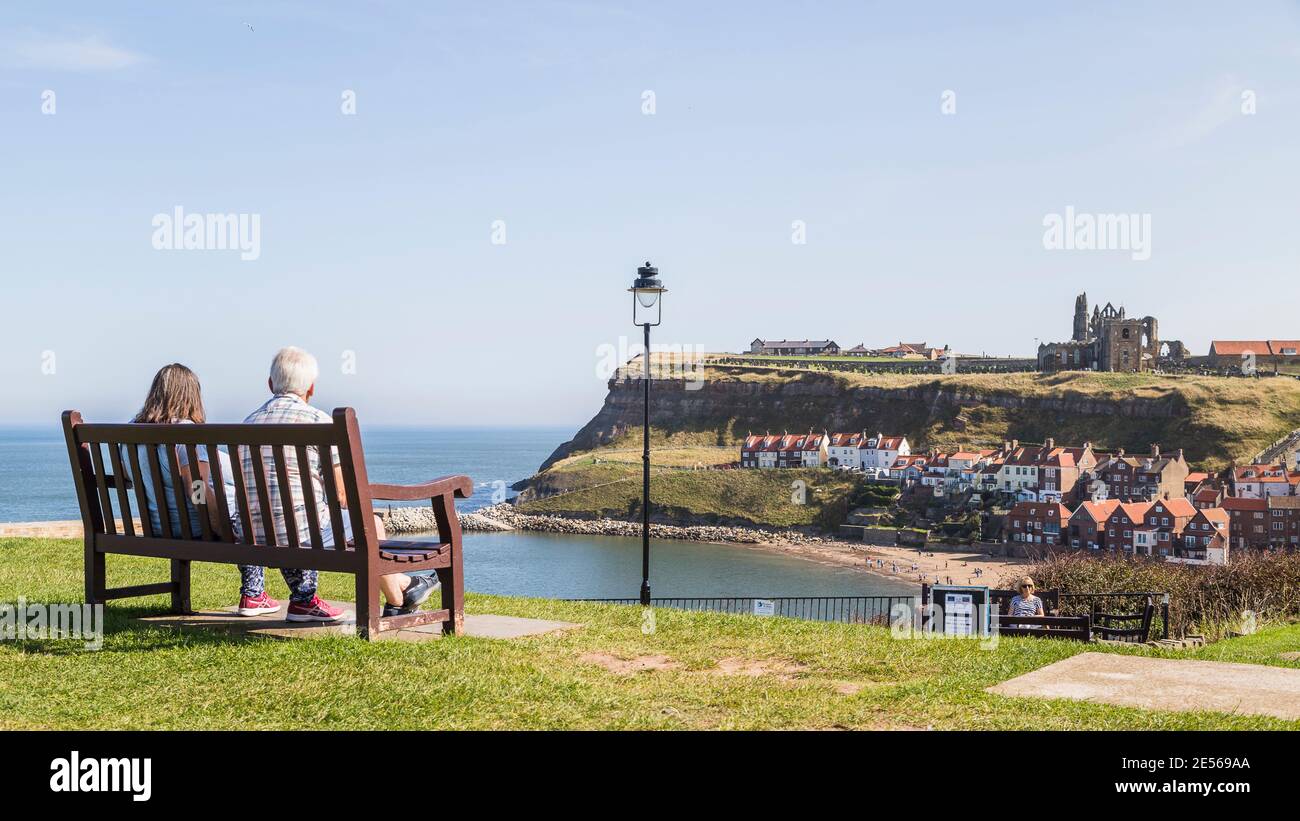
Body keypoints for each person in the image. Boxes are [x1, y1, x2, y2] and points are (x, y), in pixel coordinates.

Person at [240, 346, 436, 622]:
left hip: (255, 536)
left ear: (270, 384)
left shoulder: (248, 423)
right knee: (372, 524)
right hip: (302, 536)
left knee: (353, 523)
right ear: (311, 388)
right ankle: (398, 600)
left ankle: (405, 587)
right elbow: (344, 495)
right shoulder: (318, 422)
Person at [123, 364, 277, 616]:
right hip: (194, 527)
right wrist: (218, 525)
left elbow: (128, 476)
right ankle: (254, 593)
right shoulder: (185, 433)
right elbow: (197, 489)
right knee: (250, 510)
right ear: (192, 395)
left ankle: (256, 593)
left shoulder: (132, 431)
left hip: (158, 527)